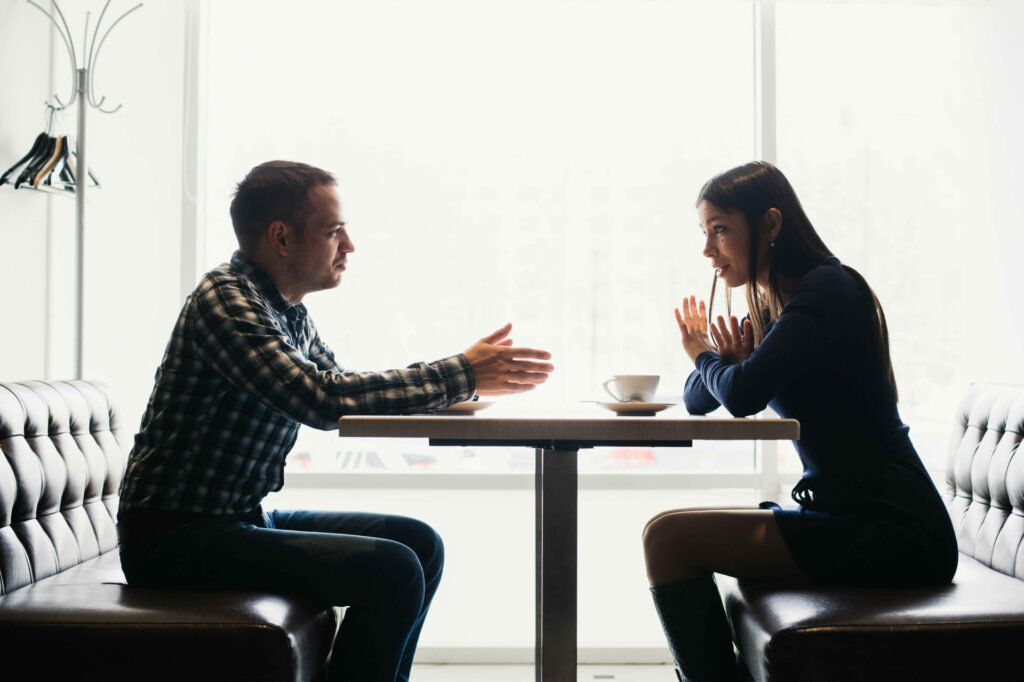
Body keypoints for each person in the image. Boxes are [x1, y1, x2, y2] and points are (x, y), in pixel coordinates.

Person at [117, 160, 555, 682]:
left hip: (238, 518)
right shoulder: (227, 301)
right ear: (281, 237)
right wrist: (459, 373)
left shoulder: (285, 310)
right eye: (333, 231)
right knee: (392, 571)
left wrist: (462, 383)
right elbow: (321, 399)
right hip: (174, 539)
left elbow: (345, 387)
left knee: (421, 544)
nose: (349, 245)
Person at [642, 161, 957, 682]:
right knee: (665, 535)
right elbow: (701, 399)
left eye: (719, 229)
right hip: (852, 518)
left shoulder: (826, 291)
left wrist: (705, 354)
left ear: (769, 225)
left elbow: (738, 395)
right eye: (704, 232)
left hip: (895, 530)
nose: (707, 250)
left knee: (667, 539)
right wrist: (721, 362)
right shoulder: (778, 306)